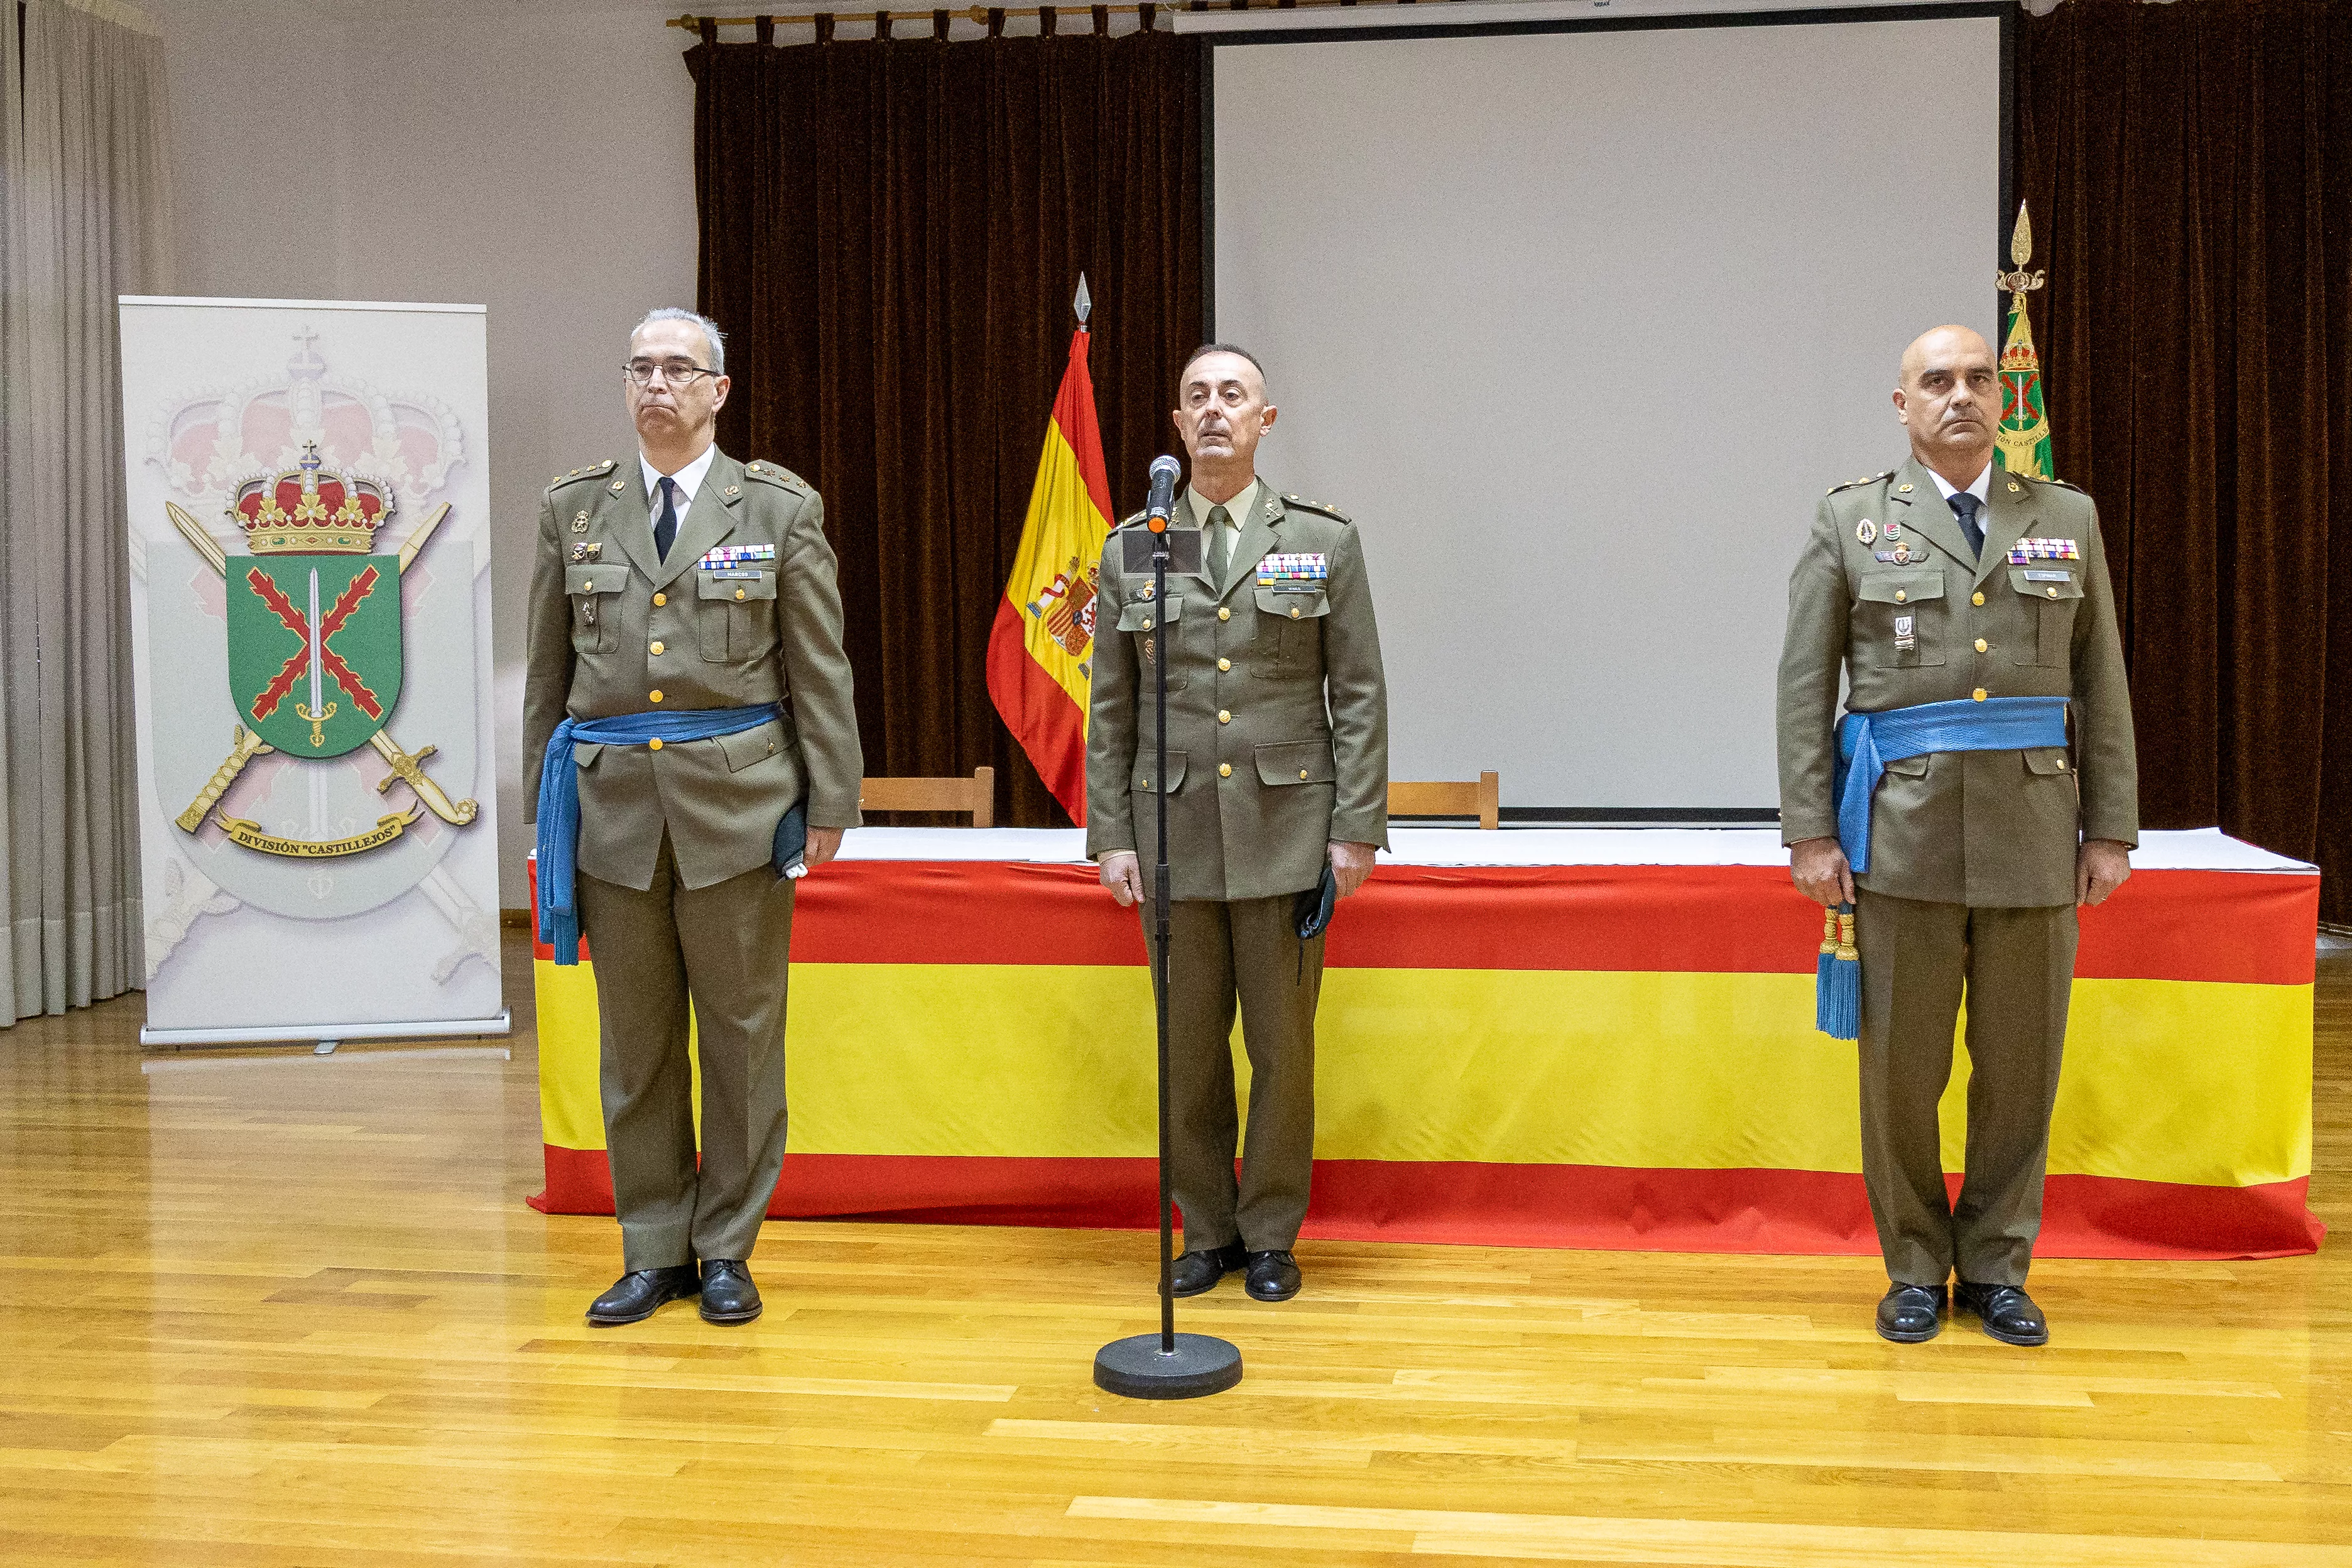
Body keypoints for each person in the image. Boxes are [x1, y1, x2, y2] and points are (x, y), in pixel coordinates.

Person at [1777, 324, 2137, 1347]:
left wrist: (2110, 824)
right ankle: (1910, 1266)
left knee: (2021, 1065)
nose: (1963, 397)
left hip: (2033, 830)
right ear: (1902, 405)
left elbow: (2100, 679)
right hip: (1901, 833)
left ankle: (1997, 1265)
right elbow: (1805, 687)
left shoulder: (2065, 516)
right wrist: (1810, 830)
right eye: (1937, 382)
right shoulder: (1850, 521)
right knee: (1903, 1068)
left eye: (1980, 379)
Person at [524, 307, 862, 1327]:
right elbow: (550, 675)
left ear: (719, 391)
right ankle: (653, 1247)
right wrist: (547, 823)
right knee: (635, 1047)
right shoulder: (574, 510)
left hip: (739, 808)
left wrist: (830, 798)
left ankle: (726, 1249)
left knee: (742, 1038)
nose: (657, 385)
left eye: (679, 369)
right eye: (640, 368)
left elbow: (820, 665)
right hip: (613, 809)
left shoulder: (775, 510)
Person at [1085, 344, 1390, 1303]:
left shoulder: (1322, 540)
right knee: (1186, 1050)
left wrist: (1355, 828)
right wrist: (1112, 834)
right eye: (1196, 398)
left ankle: (1269, 1232)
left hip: (1287, 828)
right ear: (1176, 427)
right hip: (1170, 830)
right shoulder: (1137, 543)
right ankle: (1204, 1229)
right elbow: (1113, 706)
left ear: (1267, 419)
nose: (1214, 411)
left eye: (1233, 395)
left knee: (1280, 1050)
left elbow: (1361, 692)